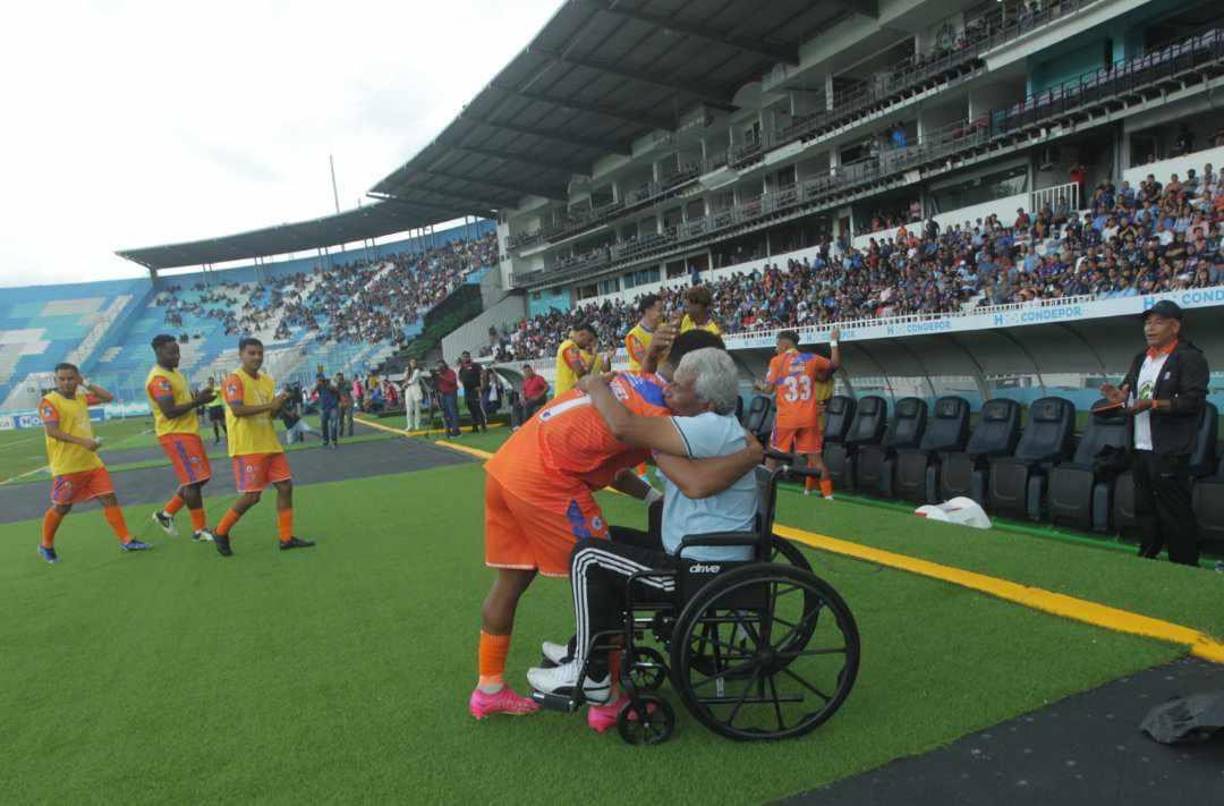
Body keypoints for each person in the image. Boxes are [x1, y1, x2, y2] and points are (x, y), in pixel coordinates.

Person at [468, 328, 739, 719]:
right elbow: (673, 466)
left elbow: (611, 467)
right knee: (604, 572)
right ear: (695, 380)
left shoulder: (636, 380)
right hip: (545, 480)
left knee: (510, 582)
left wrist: (650, 497)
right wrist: (749, 456)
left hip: (509, 465)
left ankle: (489, 687)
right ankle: (606, 697)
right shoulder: (662, 415)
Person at [527, 347, 763, 724]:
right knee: (603, 541)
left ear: (703, 399)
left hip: (699, 568)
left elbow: (624, 426)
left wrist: (593, 385)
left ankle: (592, 672)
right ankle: (584, 649)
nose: (668, 388)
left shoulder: (704, 428)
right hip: (696, 553)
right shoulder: (715, 426)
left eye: (679, 385)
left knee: (589, 555)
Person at [1099, 300, 1209, 566]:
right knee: (1145, 507)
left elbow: (1194, 402)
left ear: (1175, 326)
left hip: (1170, 448)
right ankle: (1148, 556)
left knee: (1174, 510)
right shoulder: (1141, 359)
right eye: (1147, 322)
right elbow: (1128, 395)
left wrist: (1155, 404)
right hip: (1140, 445)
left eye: (1158, 322)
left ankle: (1184, 564)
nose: (1150, 328)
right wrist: (1118, 398)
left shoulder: (1190, 357)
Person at [211, 337, 316, 557]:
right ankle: (220, 531)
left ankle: (286, 538)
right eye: (252, 353)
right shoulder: (233, 380)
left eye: (260, 353)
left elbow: (270, 413)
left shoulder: (267, 381)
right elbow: (238, 410)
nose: (257, 357)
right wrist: (270, 404)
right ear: (241, 355)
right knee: (252, 497)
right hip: (247, 447)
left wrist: (281, 405)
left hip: (269, 443)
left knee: (286, 487)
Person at [36, 363, 151, 563]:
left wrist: (86, 384)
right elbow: (52, 431)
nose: (66, 382)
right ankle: (45, 545)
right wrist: (84, 442)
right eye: (61, 379)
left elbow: (108, 397)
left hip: (92, 463)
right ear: (55, 381)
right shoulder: (49, 402)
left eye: (71, 378)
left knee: (109, 498)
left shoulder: (80, 397)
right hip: (67, 466)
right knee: (62, 507)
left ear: (77, 378)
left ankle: (126, 539)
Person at [146, 334, 218, 542]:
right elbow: (169, 411)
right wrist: (198, 403)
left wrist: (198, 398)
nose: (177, 356)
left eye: (178, 351)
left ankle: (166, 514)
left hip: (186, 432)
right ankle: (199, 530)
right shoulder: (159, 379)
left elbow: (180, 402)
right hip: (175, 434)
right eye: (172, 352)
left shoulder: (173, 373)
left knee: (199, 478)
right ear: (159, 352)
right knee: (194, 480)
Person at [755, 328, 841, 498]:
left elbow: (768, 389)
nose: (776, 348)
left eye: (777, 344)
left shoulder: (777, 361)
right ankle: (829, 497)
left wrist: (758, 386)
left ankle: (763, 491)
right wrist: (833, 341)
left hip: (786, 417)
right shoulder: (810, 358)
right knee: (816, 459)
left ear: (785, 344)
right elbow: (835, 365)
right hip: (809, 418)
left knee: (772, 454)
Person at [626, 294, 664, 479]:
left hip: (661, 385)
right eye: (658, 309)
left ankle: (661, 466)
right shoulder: (634, 335)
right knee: (642, 432)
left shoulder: (662, 329)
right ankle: (642, 475)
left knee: (661, 428)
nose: (661, 313)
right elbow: (645, 363)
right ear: (647, 310)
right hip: (641, 389)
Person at [553, 324, 598, 398]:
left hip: (569, 396)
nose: (589, 344)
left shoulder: (575, 349)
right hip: (565, 397)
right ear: (582, 335)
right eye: (589, 340)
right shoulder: (569, 346)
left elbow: (585, 372)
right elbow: (581, 373)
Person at [458, 351, 487, 434]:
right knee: (471, 409)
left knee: (478, 408)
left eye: (466, 356)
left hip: (475, 389)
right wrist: (463, 382)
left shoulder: (475, 365)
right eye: (463, 357)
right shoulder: (462, 367)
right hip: (467, 390)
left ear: (469, 357)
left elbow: (483, 374)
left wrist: (481, 387)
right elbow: (460, 377)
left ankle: (483, 426)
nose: (465, 358)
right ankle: (475, 427)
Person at [435, 359, 461, 437]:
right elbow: (437, 385)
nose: (440, 367)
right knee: (446, 413)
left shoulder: (450, 372)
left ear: (444, 365)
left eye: (441, 365)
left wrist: (442, 377)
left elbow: (452, 382)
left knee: (453, 411)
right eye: (438, 366)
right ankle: (448, 429)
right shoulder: (439, 374)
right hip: (443, 394)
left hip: (451, 393)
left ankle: (456, 430)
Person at [316, 374, 340, 448]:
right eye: (319, 379)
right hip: (323, 408)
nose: (320, 381)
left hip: (333, 407)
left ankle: (334, 441)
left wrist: (326, 384)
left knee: (333, 425)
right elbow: (312, 392)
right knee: (324, 425)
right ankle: (325, 440)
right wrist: (318, 385)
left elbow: (336, 389)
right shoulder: (319, 386)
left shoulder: (330, 383)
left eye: (321, 379)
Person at [403, 358, 425, 431]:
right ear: (409, 363)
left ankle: (417, 425)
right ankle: (409, 425)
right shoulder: (407, 371)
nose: (413, 363)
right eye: (411, 362)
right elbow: (404, 378)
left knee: (417, 409)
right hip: (408, 390)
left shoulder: (417, 371)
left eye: (414, 362)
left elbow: (413, 380)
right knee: (409, 408)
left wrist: (406, 384)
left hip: (415, 389)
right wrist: (406, 371)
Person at [206, 376, 227, 444]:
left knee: (222, 422)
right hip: (212, 408)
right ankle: (217, 438)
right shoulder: (206, 390)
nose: (211, 382)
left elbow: (221, 390)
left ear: (213, 382)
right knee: (214, 424)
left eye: (212, 381)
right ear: (208, 382)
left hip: (218, 407)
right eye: (209, 381)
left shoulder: (217, 388)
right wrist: (207, 407)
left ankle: (228, 435)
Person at [336, 373, 354, 437]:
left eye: (341, 377)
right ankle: (341, 433)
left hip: (348, 402)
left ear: (343, 376)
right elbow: (334, 391)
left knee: (349, 418)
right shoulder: (336, 384)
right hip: (340, 403)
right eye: (338, 377)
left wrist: (344, 384)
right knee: (341, 419)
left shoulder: (347, 382)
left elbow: (351, 388)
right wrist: (337, 385)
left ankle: (350, 433)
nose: (340, 378)